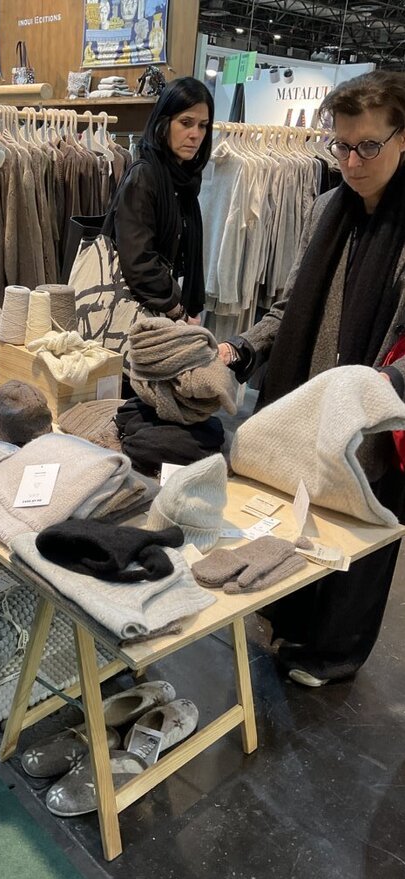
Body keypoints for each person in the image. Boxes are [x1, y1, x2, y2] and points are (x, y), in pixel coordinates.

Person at [218, 70, 405, 687]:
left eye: (368, 146)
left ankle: (334, 652)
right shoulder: (326, 209)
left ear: (403, 138)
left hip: (373, 413)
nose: (351, 162)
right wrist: (242, 347)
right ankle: (290, 619)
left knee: (361, 535)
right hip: (305, 401)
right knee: (298, 515)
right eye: (341, 146)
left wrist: (377, 392)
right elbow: (287, 306)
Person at [104, 76, 214, 323]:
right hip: (139, 317)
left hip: (163, 313)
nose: (195, 134)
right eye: (186, 123)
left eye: (203, 126)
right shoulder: (145, 177)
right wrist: (178, 312)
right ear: (163, 123)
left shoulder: (184, 184)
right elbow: (138, 262)